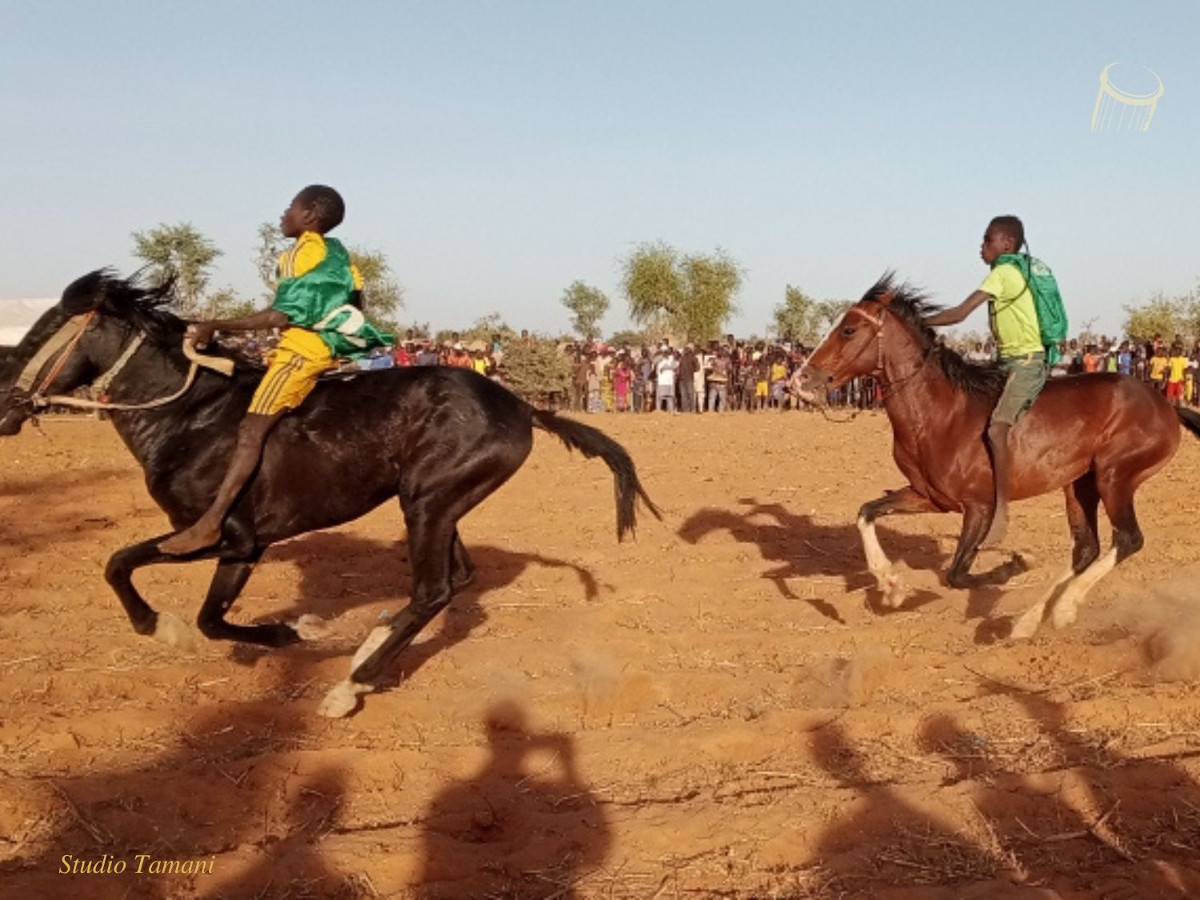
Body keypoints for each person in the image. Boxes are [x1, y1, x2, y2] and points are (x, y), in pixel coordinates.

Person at [159, 185, 393, 555]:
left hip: (301, 352)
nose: (284, 214)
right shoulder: (338, 253)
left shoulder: (302, 252)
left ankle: (211, 521)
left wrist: (215, 325)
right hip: (319, 346)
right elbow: (355, 303)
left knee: (251, 430)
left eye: (291, 208)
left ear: (310, 216)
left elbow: (280, 315)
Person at [923, 214, 1048, 547]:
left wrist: (915, 322)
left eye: (987, 240)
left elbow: (959, 314)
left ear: (1006, 243)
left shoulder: (1004, 273)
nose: (982, 246)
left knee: (996, 428)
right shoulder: (1011, 271)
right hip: (1005, 362)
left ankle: (1000, 510)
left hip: (1025, 364)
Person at [1166, 342, 1188, 407]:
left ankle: (1177, 408)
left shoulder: (1183, 360)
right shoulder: (1172, 359)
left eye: (1178, 351)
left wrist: (1185, 379)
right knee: (1169, 395)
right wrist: (1166, 373)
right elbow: (1169, 368)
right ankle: (1169, 407)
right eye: (1175, 351)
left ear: (1180, 352)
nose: (1176, 352)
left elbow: (1184, 370)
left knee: (1178, 395)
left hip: (1179, 379)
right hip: (1171, 379)